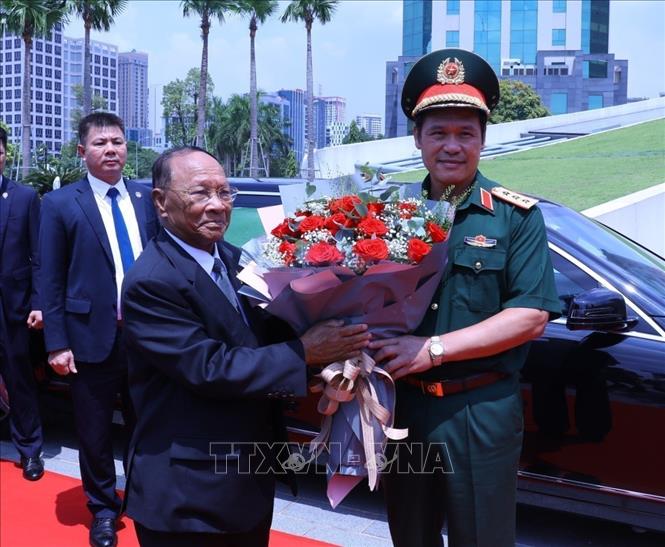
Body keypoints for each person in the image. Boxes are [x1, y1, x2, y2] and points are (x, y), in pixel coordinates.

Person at [121, 146, 371, 547]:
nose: (218, 205)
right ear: (161, 202)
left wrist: (332, 359)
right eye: (200, 193)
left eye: (225, 193)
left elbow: (268, 339)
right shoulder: (151, 281)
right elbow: (209, 368)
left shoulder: (237, 260)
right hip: (188, 496)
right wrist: (306, 352)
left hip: (245, 482)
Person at [370, 49, 561, 547]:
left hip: (480, 408)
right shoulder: (385, 217)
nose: (452, 146)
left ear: (482, 140)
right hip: (403, 409)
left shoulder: (515, 217)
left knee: (482, 538)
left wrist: (431, 350)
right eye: (438, 133)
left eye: (465, 134)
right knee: (409, 535)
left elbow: (530, 316)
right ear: (417, 139)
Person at [39, 113, 157, 547]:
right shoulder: (60, 204)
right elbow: (50, 278)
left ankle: (145, 500)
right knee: (93, 431)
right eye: (101, 143)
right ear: (81, 151)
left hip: (148, 339)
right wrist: (56, 343)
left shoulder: (147, 198)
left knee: (148, 425)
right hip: (90, 338)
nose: (111, 150)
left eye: (119, 142)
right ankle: (104, 510)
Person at [0, 126, 45, 481]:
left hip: (11, 306)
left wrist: (38, 302)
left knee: (19, 377)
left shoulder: (25, 197)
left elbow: (38, 255)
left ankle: (30, 450)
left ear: (4, 155)